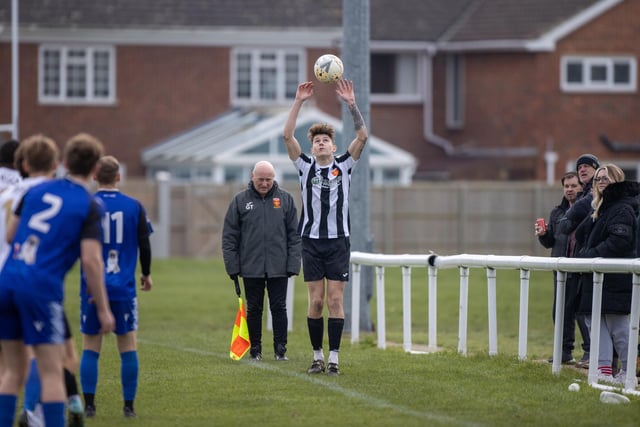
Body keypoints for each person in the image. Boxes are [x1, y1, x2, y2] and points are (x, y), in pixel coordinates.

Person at [0, 132, 115, 427]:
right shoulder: (89, 206)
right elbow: (91, 260)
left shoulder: (35, 192)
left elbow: (11, 235)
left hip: (8, 279)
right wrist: (103, 309)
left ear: (63, 162)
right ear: (93, 171)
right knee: (52, 371)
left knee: (12, 371)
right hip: (39, 288)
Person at [283, 79, 368, 376]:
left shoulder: (344, 164)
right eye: (316, 141)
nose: (320, 143)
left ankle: (334, 359)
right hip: (311, 242)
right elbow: (286, 135)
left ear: (333, 146)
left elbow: (362, 135)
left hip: (337, 242)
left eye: (325, 141)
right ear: (312, 147)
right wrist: (298, 102)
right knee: (316, 301)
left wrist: (351, 104)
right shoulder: (304, 166)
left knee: (335, 300)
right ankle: (317, 356)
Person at [79, 155, 154, 419]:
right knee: (127, 345)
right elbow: (144, 244)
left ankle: (89, 406)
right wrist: (146, 274)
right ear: (119, 177)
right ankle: (128, 407)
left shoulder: (86, 205)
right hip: (123, 286)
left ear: (95, 176)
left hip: (91, 286)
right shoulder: (134, 206)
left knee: (91, 345)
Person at [222, 160, 301, 361]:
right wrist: (232, 266)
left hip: (279, 267)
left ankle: (280, 350)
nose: (265, 183)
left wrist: (293, 264)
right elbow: (230, 236)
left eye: (268, 179)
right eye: (261, 179)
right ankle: (255, 350)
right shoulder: (240, 201)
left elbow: (295, 236)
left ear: (274, 179)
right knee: (254, 308)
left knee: (279, 307)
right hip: (251, 266)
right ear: (252, 177)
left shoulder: (286, 200)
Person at [573, 163, 639, 385]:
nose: (601, 182)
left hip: (614, 278)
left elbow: (619, 240)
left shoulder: (622, 208)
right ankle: (604, 372)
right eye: (598, 179)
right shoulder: (599, 209)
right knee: (596, 325)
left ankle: (628, 373)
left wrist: (591, 256)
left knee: (619, 328)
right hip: (596, 278)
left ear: (616, 181)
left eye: (605, 178)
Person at [535, 171, 589, 365]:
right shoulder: (557, 212)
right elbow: (551, 242)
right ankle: (564, 352)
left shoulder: (589, 208)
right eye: (566, 186)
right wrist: (543, 234)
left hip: (581, 267)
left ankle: (589, 352)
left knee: (582, 312)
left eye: (574, 186)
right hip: (561, 269)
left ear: (582, 187)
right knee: (560, 312)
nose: (569, 190)